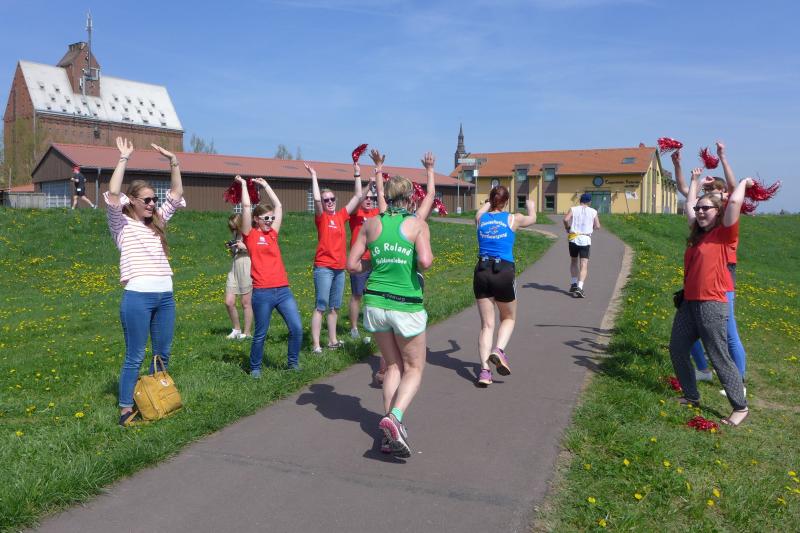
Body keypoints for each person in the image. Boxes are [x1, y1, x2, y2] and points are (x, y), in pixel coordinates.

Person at [347, 172, 433, 458]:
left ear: (387, 197)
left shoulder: (370, 224)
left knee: (393, 366)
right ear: (409, 198)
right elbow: (425, 261)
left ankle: (389, 432)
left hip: (375, 303)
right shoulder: (417, 225)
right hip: (404, 304)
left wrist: (373, 266)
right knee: (414, 368)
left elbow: (352, 264)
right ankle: (395, 417)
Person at [105, 137, 184, 426]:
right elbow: (114, 192)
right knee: (135, 355)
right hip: (138, 297)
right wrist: (123, 158)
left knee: (162, 354)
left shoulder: (158, 221)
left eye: (154, 200)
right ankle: (126, 409)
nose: (152, 204)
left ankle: (157, 400)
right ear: (133, 201)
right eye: (147, 200)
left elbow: (176, 192)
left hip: (165, 296)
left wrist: (173, 161)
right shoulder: (121, 224)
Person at [669, 166, 752, 426]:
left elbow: (735, 202)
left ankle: (740, 407)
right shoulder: (698, 235)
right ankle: (691, 396)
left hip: (712, 303)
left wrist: (744, 182)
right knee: (677, 348)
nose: (700, 211)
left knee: (718, 356)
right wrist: (694, 179)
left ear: (719, 211)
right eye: (699, 209)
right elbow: (689, 204)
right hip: (689, 303)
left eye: (706, 208)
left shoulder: (724, 235)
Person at [369, 149, 437, 385]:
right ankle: (391, 370)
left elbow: (381, 193)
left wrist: (378, 169)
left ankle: (385, 368)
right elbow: (431, 195)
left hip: (380, 289)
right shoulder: (416, 220)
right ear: (410, 200)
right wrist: (430, 170)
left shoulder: (384, 216)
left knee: (388, 333)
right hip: (407, 284)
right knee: (403, 332)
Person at [238, 175, 304, 376]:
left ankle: (292, 363)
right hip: (262, 292)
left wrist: (266, 185)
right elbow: (246, 207)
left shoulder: (272, 234)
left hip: (283, 290)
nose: (269, 222)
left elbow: (279, 206)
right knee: (261, 334)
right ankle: (255, 368)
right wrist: (244, 185)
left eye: (271, 219)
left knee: (297, 328)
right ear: (256, 220)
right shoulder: (250, 236)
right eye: (266, 219)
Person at [473, 186, 536, 387]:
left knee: (487, 325)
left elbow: (482, 211)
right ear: (506, 202)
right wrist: (531, 206)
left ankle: (484, 371)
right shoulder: (513, 218)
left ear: (490, 200)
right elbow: (533, 219)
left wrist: (488, 203)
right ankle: (498, 350)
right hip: (503, 271)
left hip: (482, 271)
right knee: (508, 317)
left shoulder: (480, 218)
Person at [305, 161, 363, 354]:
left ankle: (332, 340)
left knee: (335, 307)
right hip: (324, 268)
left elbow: (358, 196)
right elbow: (316, 199)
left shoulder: (341, 216)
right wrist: (314, 176)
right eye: (326, 200)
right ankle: (316, 345)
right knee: (321, 306)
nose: (329, 202)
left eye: (332, 199)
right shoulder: (322, 218)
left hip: (339, 269)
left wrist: (357, 173)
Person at [347, 182, 379, 340]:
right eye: (366, 198)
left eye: (372, 198)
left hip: (375, 261)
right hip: (359, 261)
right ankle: (354, 328)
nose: (369, 200)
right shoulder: (355, 213)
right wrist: (369, 185)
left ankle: (376, 325)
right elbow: (357, 198)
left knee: (376, 294)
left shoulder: (376, 213)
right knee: (357, 295)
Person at [562, 192, 600, 298]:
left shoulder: (573, 209)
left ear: (580, 201)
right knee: (584, 264)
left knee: (574, 261)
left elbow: (565, 219)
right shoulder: (593, 211)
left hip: (573, 238)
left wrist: (567, 228)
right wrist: (591, 227)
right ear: (589, 202)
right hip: (585, 239)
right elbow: (598, 226)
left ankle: (573, 283)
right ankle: (580, 287)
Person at [224, 213, 253, 340]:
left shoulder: (249, 234)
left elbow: (257, 251)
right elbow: (235, 254)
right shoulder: (236, 235)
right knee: (229, 302)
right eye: (232, 227)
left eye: (235, 226)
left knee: (245, 302)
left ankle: (247, 333)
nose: (233, 229)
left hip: (247, 265)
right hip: (235, 266)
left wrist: (244, 247)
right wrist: (232, 248)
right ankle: (236, 329)